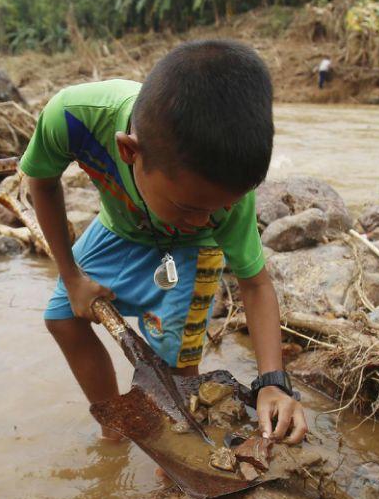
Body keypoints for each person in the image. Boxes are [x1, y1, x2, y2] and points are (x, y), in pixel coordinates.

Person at [21, 40, 308, 445]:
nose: (205, 218)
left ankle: (178, 441)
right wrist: (71, 277)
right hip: (118, 228)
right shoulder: (73, 117)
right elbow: (43, 183)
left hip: (193, 252)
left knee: (175, 362)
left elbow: (256, 284)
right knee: (63, 318)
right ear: (129, 151)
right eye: (191, 206)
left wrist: (273, 382)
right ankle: (114, 428)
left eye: (219, 208)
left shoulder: (224, 205)